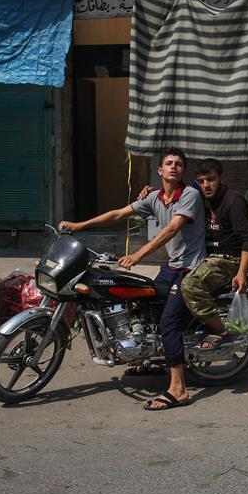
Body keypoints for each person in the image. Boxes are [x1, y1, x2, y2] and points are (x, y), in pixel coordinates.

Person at [59, 148, 206, 411]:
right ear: (160, 171)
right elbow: (118, 214)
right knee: (143, 304)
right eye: (169, 163)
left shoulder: (190, 195)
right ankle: (149, 355)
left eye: (179, 164)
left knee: (169, 323)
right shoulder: (154, 198)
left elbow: (172, 229)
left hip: (190, 269)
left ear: (183, 171)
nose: (174, 167)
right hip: (172, 266)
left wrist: (138, 254)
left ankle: (178, 389)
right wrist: (78, 226)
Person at [180, 159, 248, 348]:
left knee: (190, 284)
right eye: (201, 181)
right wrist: (149, 191)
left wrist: (242, 272)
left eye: (211, 179)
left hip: (229, 259)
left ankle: (219, 330)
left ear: (221, 178)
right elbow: (173, 190)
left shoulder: (233, 200)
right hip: (206, 257)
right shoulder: (200, 197)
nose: (206, 185)